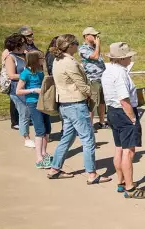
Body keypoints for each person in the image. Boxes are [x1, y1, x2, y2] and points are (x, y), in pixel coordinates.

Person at [46, 34, 111, 185]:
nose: (77, 45)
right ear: (70, 46)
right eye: (75, 43)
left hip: (65, 104)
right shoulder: (68, 62)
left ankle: (54, 169)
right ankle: (92, 174)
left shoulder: (57, 60)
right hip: (75, 103)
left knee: (67, 137)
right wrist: (90, 94)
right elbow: (81, 84)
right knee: (88, 139)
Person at [101, 42, 145, 199]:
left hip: (113, 111)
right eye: (128, 56)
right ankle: (130, 188)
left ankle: (121, 182)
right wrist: (133, 118)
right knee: (128, 151)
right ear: (122, 58)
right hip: (124, 112)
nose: (130, 58)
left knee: (119, 148)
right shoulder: (120, 74)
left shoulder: (107, 71)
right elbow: (124, 99)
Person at [16, 51, 52, 168]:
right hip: (33, 103)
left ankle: (44, 152)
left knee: (47, 129)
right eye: (41, 58)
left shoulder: (40, 72)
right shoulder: (25, 73)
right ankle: (39, 158)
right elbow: (18, 91)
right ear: (35, 59)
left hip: (43, 102)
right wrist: (33, 90)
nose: (43, 59)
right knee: (40, 130)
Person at [4, 33, 33, 147]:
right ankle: (26, 137)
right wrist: (28, 75)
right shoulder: (10, 57)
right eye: (24, 42)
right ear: (17, 44)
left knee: (32, 112)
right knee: (24, 113)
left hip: (30, 88)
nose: (26, 44)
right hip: (17, 90)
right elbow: (11, 75)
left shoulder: (26, 55)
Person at [79, 27, 107, 129]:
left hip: (101, 77)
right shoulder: (83, 49)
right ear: (86, 36)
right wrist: (98, 45)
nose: (96, 37)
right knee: (93, 102)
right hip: (93, 79)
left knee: (102, 101)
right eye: (94, 35)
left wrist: (97, 46)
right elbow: (94, 57)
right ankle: (89, 125)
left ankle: (102, 122)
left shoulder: (94, 48)